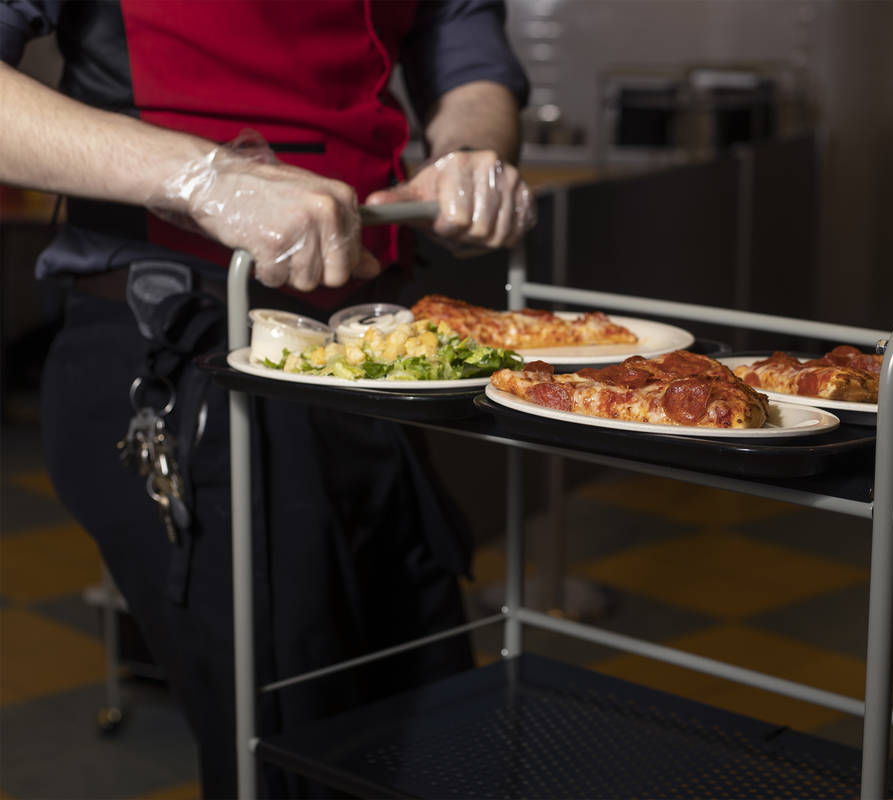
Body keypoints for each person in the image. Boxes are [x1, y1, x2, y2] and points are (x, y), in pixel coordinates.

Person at [0, 1, 533, 796]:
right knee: (298, 750)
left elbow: (462, 39)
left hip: (368, 354)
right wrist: (200, 176)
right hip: (187, 353)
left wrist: (469, 154)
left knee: (432, 728)